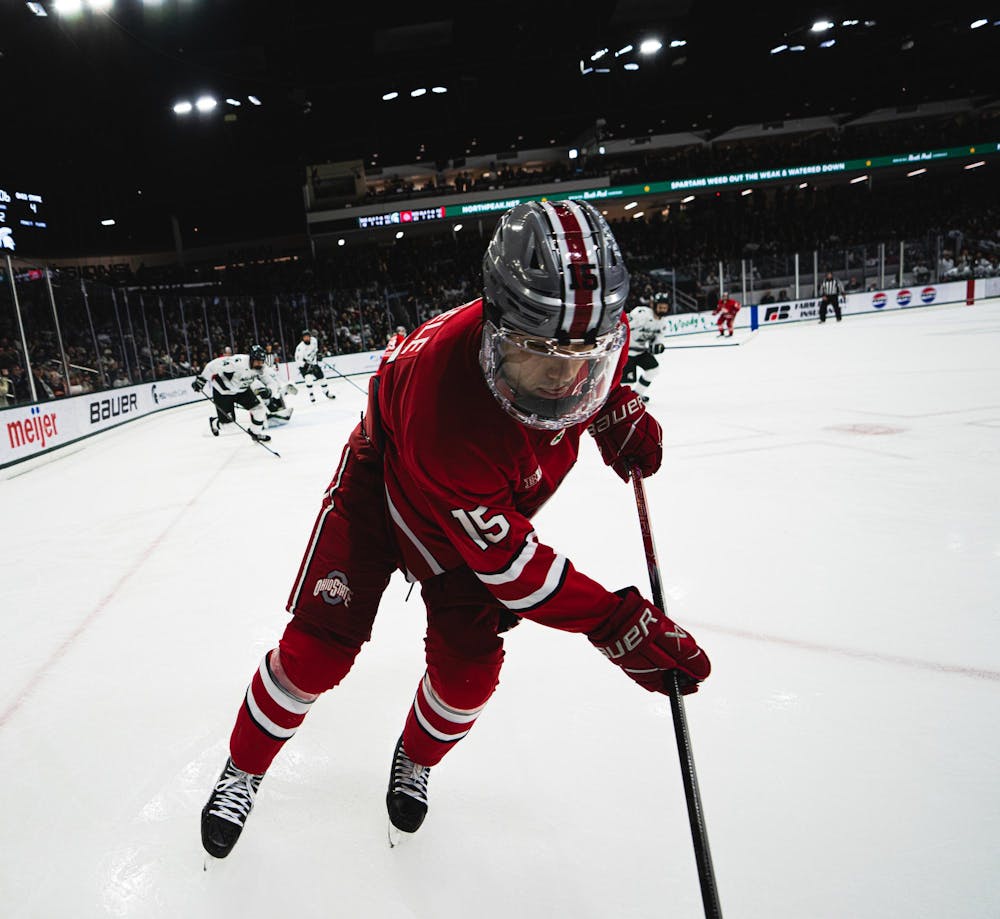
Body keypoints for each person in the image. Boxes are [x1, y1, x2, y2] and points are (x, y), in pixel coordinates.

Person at [199, 199, 711, 860]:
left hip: (476, 518)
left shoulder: (573, 326)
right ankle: (244, 764)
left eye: (583, 356)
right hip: (383, 491)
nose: (563, 378)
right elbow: (515, 569)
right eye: (538, 355)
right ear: (498, 327)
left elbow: (588, 369)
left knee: (468, 676)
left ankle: (415, 757)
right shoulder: (448, 403)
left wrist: (615, 408)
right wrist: (611, 620)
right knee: (315, 652)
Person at [191, 344, 273, 442]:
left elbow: (271, 382)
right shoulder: (237, 362)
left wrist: (269, 391)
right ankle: (215, 422)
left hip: (242, 390)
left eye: (262, 361)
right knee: (229, 427)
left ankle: (255, 433)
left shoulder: (262, 367)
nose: (260, 364)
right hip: (224, 392)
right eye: (257, 361)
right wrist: (202, 379)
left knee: (260, 410)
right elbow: (213, 365)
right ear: (251, 359)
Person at [622, 295, 671, 403]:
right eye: (660, 307)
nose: (662, 310)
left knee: (653, 370)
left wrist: (657, 346)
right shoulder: (642, 314)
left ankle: (637, 395)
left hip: (640, 351)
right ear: (654, 305)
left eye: (665, 308)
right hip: (626, 352)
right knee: (628, 382)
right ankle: (623, 400)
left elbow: (658, 340)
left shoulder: (662, 323)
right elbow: (623, 325)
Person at [295, 329, 336, 402]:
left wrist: (319, 355)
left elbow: (316, 350)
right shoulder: (300, 348)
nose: (306, 338)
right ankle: (311, 394)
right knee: (308, 378)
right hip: (304, 365)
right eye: (305, 337)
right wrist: (306, 365)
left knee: (322, 378)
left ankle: (326, 392)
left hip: (313, 363)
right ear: (302, 338)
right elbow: (298, 361)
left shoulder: (314, 341)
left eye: (308, 336)